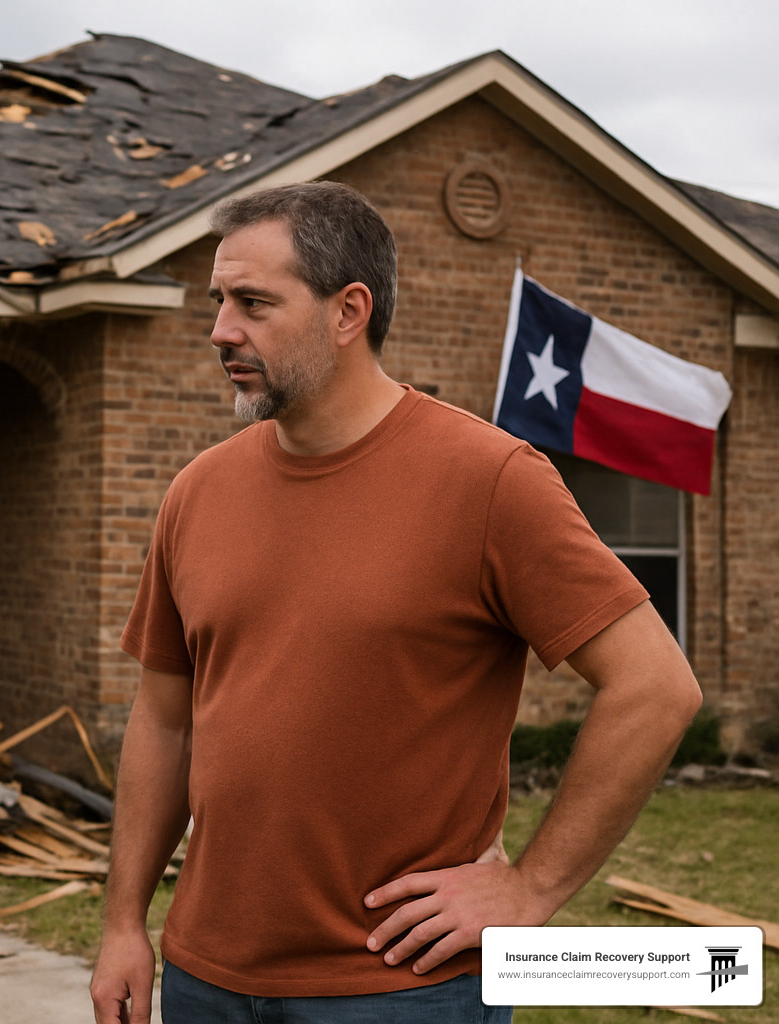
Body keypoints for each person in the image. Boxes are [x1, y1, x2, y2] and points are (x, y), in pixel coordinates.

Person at [88, 181, 703, 1024]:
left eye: (253, 303)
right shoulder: (197, 492)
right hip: (207, 981)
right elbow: (166, 721)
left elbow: (656, 687)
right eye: (218, 301)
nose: (221, 329)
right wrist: (124, 923)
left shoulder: (491, 480)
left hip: (407, 988)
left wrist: (530, 889)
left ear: (349, 311)